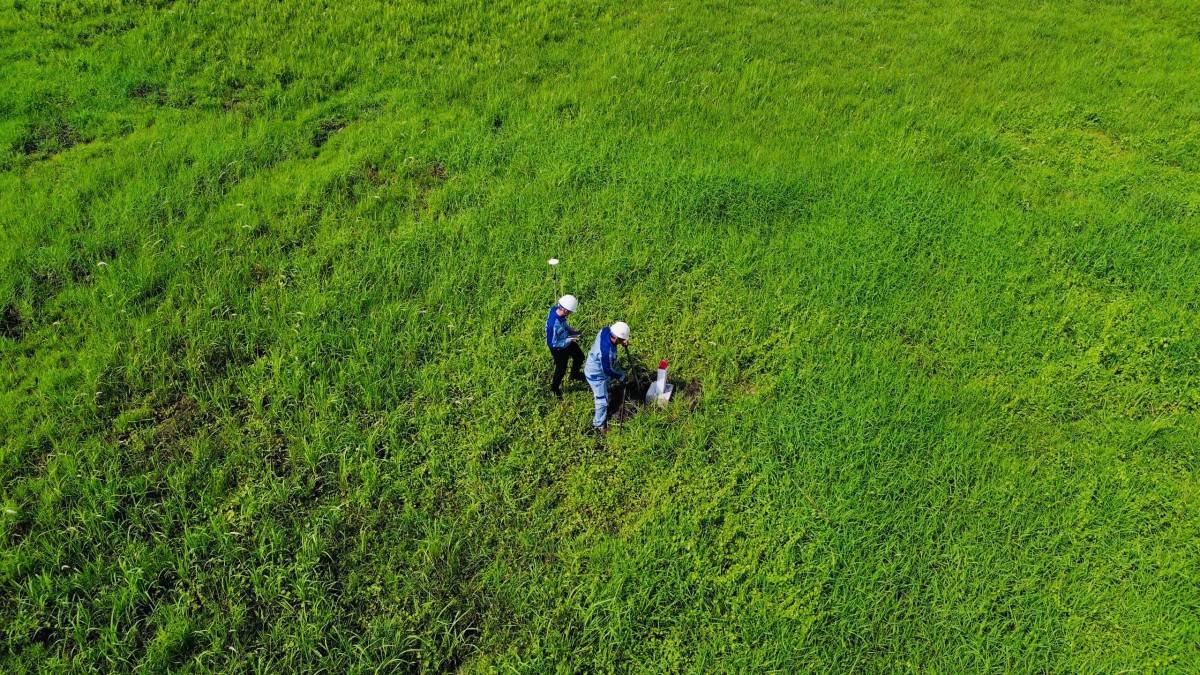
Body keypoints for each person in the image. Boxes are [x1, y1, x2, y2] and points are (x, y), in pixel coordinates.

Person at [583, 321, 630, 433]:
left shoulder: (606, 330)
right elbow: (607, 370)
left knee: (608, 380)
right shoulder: (606, 353)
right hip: (596, 375)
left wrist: (622, 341)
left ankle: (607, 387)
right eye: (622, 339)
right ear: (617, 338)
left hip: (596, 363)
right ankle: (598, 425)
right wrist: (621, 376)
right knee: (602, 401)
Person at [546, 294, 585, 399]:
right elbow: (552, 343)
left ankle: (574, 375)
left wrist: (571, 331)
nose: (570, 314)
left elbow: (563, 324)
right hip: (558, 348)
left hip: (566, 339)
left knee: (580, 357)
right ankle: (554, 388)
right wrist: (570, 339)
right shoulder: (553, 325)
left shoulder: (557, 310)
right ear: (565, 310)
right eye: (570, 312)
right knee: (561, 369)